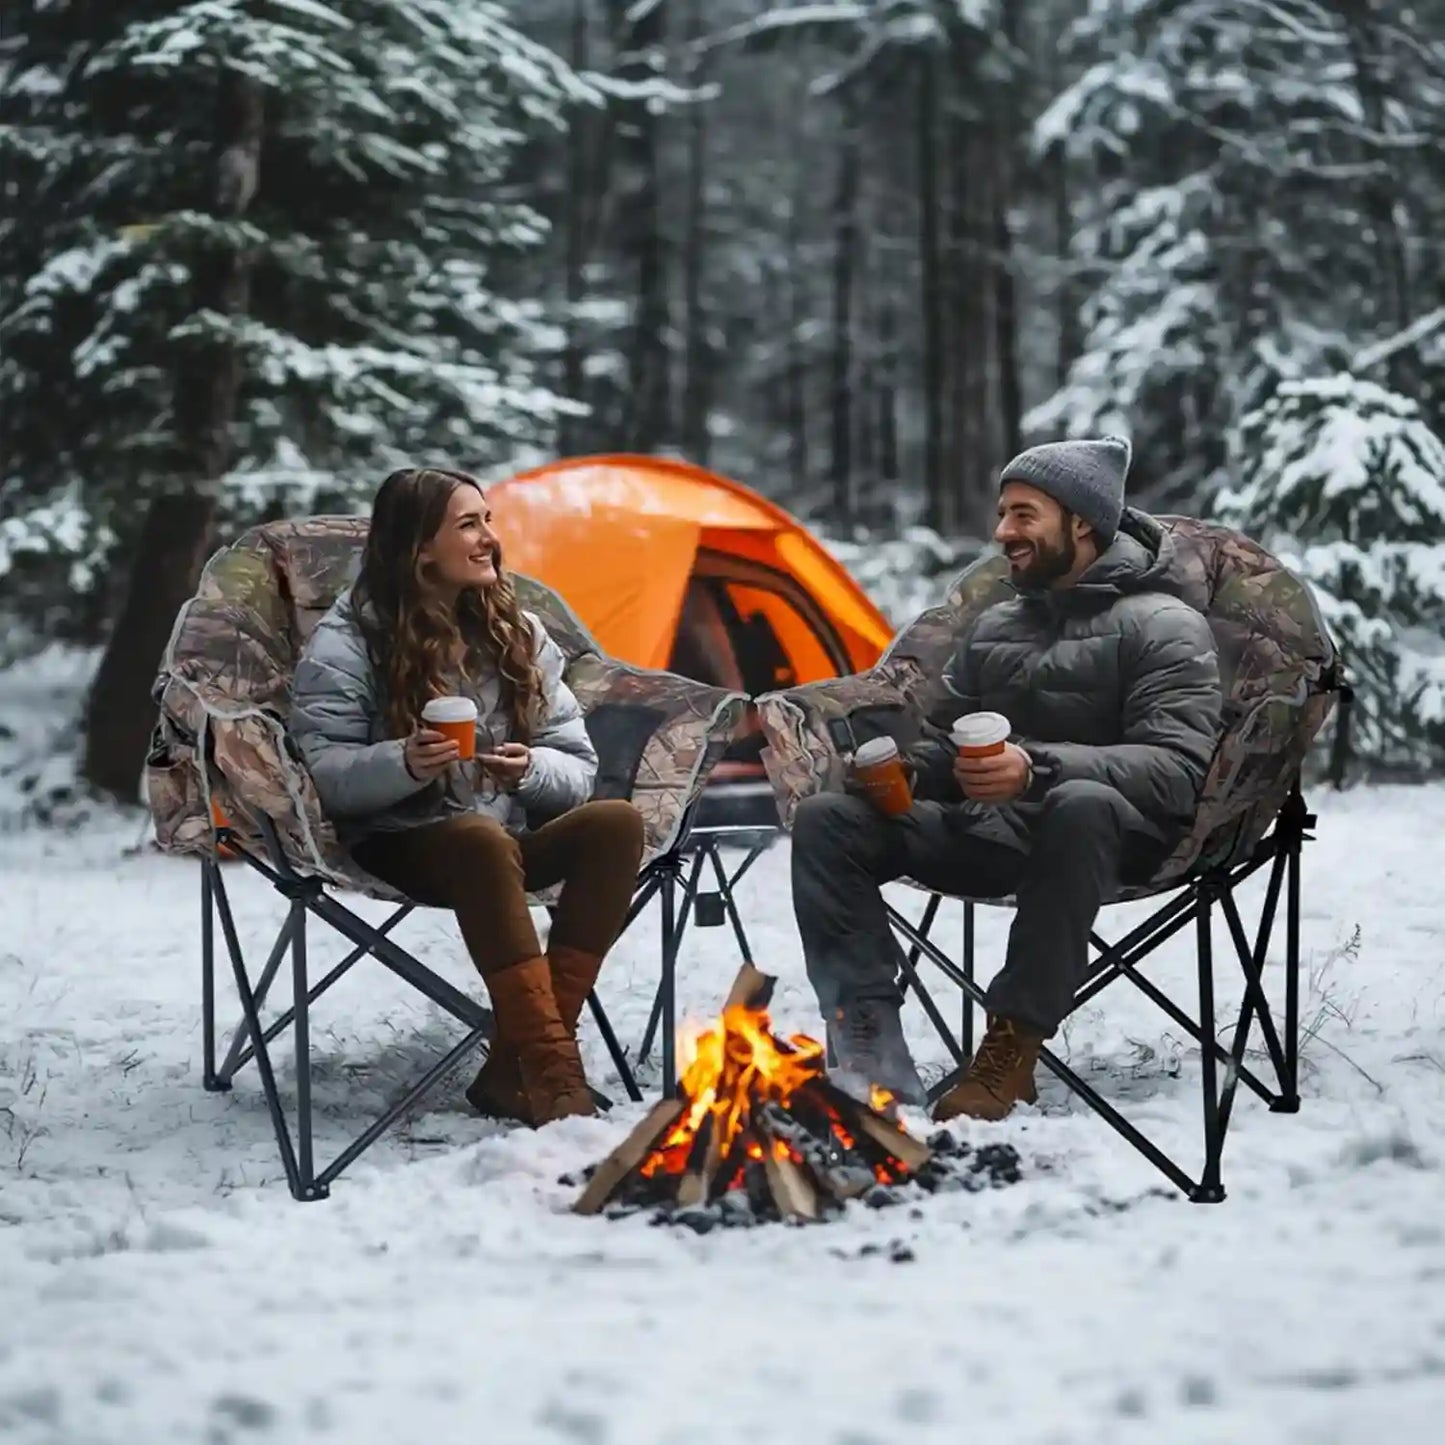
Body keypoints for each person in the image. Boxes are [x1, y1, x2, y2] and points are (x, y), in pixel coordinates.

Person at [791, 437, 1223, 1121]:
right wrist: (906, 770)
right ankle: (866, 1041)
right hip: (986, 833)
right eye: (1001, 514)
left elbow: (1176, 771)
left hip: (1111, 839)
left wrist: (1035, 768)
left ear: (1080, 521)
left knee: (1077, 803)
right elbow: (943, 745)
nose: (1001, 533)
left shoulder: (1164, 625)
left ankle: (1008, 1049)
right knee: (826, 818)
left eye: (1023, 514)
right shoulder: (997, 624)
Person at [290, 467, 645, 1127]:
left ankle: (518, 1068)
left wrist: (529, 769)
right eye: (468, 524)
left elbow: (578, 765)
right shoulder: (348, 641)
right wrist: (405, 761)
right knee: (480, 839)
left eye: (488, 521)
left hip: (497, 840)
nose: (488, 539)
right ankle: (552, 1070)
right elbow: (325, 772)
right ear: (420, 548)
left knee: (615, 824)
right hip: (401, 841)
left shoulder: (516, 632)